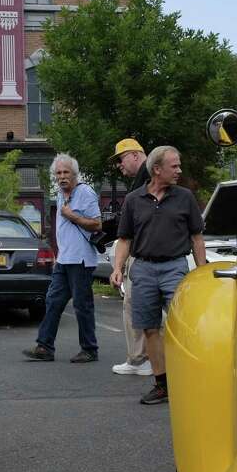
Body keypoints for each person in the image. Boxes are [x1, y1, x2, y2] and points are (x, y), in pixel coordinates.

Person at [111, 146, 207, 404]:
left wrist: (202, 271)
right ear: (156, 170)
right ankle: (162, 385)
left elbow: (197, 238)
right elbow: (124, 239)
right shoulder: (133, 200)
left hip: (174, 267)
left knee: (181, 325)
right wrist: (118, 268)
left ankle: (191, 380)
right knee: (150, 328)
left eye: (179, 165)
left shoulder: (185, 197)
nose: (179, 171)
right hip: (141, 269)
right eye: (174, 166)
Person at [23, 154, 102, 363]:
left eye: (66, 172)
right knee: (53, 301)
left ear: (74, 174)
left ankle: (89, 349)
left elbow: (97, 224)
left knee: (82, 305)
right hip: (65, 259)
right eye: (58, 173)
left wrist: (72, 216)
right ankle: (45, 346)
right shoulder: (59, 194)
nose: (62, 177)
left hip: (81, 260)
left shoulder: (85, 192)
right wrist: (59, 256)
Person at [108, 138, 153, 377]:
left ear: (135, 155)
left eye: (121, 159)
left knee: (134, 304)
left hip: (143, 254)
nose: (119, 166)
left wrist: (121, 262)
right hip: (151, 253)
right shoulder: (149, 177)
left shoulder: (146, 178)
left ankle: (140, 359)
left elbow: (132, 229)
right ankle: (146, 359)